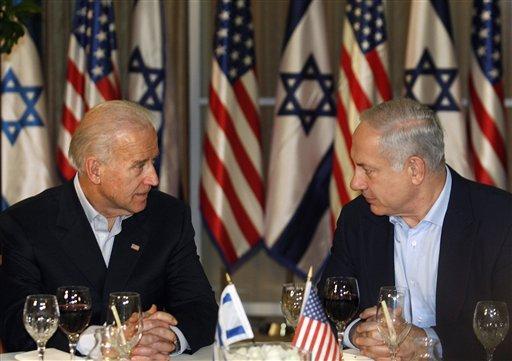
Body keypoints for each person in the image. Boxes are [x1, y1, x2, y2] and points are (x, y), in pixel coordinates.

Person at [0, 100, 218, 360]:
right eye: (139, 166)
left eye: (153, 162)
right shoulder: (26, 223)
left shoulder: (169, 217)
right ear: (95, 169)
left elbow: (200, 307)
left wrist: (164, 339)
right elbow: (16, 323)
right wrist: (103, 341)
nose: (153, 178)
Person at [319, 98, 512, 360]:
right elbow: (329, 302)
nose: (355, 182)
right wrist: (359, 333)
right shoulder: (358, 219)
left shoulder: (500, 220)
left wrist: (426, 342)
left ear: (415, 169)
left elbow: (506, 329)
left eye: (368, 170)